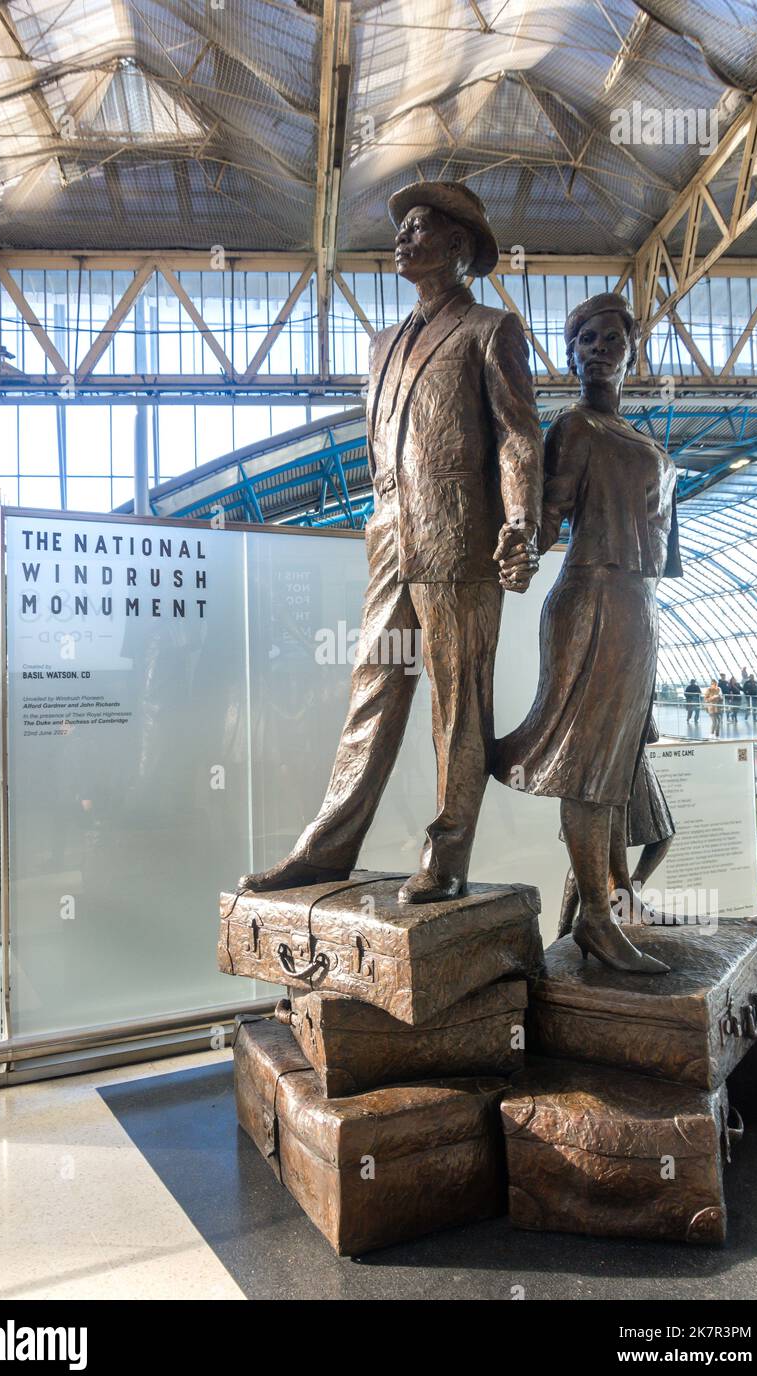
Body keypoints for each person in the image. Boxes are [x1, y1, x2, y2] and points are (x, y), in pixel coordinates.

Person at [239, 180, 543, 905]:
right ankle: (325, 850)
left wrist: (522, 523)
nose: (402, 240)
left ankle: (447, 856)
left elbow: (519, 436)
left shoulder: (489, 330)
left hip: (462, 545)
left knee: (458, 705)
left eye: (419, 229)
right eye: (401, 230)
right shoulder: (381, 346)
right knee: (371, 695)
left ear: (459, 248)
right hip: (391, 544)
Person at [495, 290, 681, 974]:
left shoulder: (657, 454)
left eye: (610, 339)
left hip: (640, 609)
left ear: (632, 352)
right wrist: (516, 544)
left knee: (618, 763)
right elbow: (547, 518)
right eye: (586, 341)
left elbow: (665, 561)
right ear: (572, 356)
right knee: (587, 766)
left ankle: (619, 900)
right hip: (589, 599)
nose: (599, 350)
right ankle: (598, 921)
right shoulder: (574, 428)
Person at [557, 715, 675, 935]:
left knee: (662, 835)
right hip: (611, 768)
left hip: (628, 769)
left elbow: (651, 734)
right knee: (586, 851)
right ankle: (566, 927)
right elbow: (651, 734)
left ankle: (625, 897)